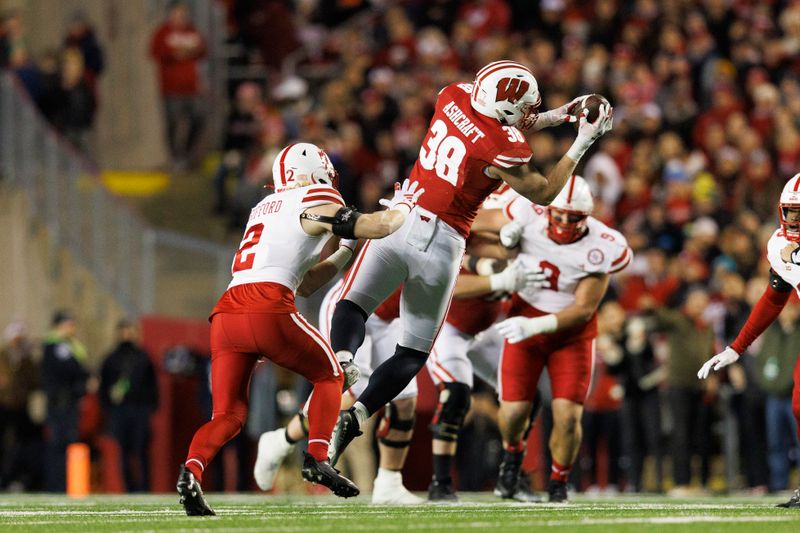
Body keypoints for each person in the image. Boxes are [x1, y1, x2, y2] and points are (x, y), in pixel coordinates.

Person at [326, 60, 614, 466]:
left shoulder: (453, 95)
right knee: (410, 353)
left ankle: (343, 360)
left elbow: (501, 122)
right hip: (444, 244)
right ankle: (358, 413)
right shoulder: (504, 147)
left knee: (352, 304)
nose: (532, 111)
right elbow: (546, 191)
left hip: (401, 218)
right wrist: (583, 138)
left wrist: (562, 113)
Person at [176, 142, 424, 516]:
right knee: (332, 374)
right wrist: (404, 206)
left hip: (226, 314)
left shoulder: (264, 207)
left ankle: (191, 472)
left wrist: (342, 252)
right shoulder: (315, 195)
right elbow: (379, 225)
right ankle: (317, 458)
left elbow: (305, 283)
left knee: (226, 416)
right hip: (267, 307)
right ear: (314, 170)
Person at [485, 175, 632, 502]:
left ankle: (558, 482)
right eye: (560, 215)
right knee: (511, 413)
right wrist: (506, 244)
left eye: (574, 218)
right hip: (523, 320)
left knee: (567, 418)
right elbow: (473, 224)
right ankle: (512, 457)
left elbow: (583, 309)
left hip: (571, 336)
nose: (565, 223)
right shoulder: (525, 210)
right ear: (547, 210)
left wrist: (535, 326)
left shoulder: (604, 245)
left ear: (588, 217)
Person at [254, 283, 424, 504]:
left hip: (392, 318)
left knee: (405, 399)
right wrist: (484, 275)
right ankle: (281, 440)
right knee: (352, 392)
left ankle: (389, 483)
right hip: (353, 306)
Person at [698, 172, 800, 508]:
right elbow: (774, 297)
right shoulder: (779, 243)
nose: (794, 220)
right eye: (790, 212)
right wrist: (736, 347)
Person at [99, 320, 159, 492]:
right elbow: (104, 388)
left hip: (140, 409)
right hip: (120, 411)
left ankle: (144, 487)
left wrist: (151, 406)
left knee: (141, 450)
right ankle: (129, 488)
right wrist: (109, 409)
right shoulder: (111, 359)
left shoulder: (143, 357)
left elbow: (152, 385)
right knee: (123, 451)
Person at [149, 1, 207, 169]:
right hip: (171, 88)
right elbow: (154, 52)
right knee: (172, 123)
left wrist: (192, 51)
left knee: (198, 118)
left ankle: (186, 153)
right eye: (177, 13)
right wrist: (174, 53)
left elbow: (204, 50)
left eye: (183, 13)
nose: (180, 17)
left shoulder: (192, 30)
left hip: (192, 88)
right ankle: (175, 157)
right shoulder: (163, 32)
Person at [40, 310, 90, 492]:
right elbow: (72, 369)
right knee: (58, 443)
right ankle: (57, 485)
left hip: (68, 401)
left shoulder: (70, 346)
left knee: (67, 443)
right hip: (60, 402)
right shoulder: (55, 346)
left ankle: (67, 484)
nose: (72, 329)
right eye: (68, 325)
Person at [0, 321, 39, 490]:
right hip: (2, 405)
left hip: (20, 406)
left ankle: (16, 478)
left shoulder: (26, 359)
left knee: (22, 445)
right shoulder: (2, 356)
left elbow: (35, 381)